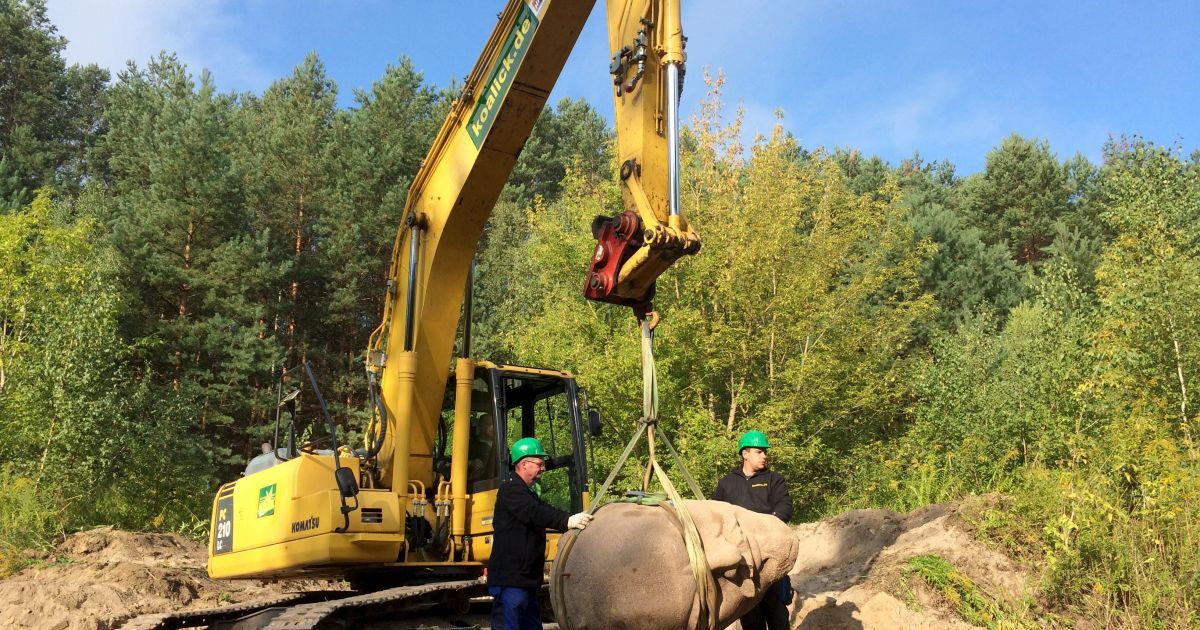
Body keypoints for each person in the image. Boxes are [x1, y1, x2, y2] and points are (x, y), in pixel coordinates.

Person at [488, 436, 592, 629]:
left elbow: (545, 510)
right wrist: (566, 521)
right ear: (524, 464)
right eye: (539, 463)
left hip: (526, 581)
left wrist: (572, 517)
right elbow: (534, 512)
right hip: (512, 581)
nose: (543, 468)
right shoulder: (510, 490)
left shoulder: (528, 493)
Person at [712, 430, 793, 630]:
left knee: (777, 615)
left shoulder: (774, 480)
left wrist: (765, 526)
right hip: (742, 560)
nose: (764, 456)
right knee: (750, 616)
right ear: (745, 454)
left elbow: (785, 507)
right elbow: (714, 513)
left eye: (765, 452)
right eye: (759, 451)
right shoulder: (727, 483)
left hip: (769, 556)